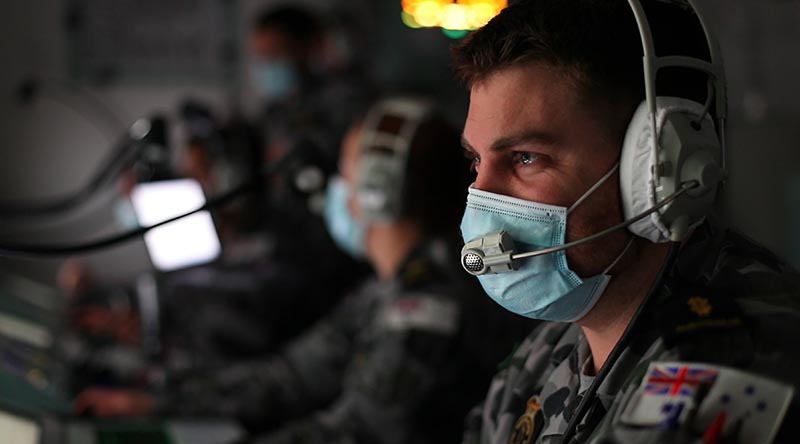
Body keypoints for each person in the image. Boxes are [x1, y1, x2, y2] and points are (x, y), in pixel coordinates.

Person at [75, 97, 534, 443]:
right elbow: (287, 377)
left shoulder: (430, 308)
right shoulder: (388, 288)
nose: (335, 191)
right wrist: (158, 399)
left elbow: (354, 433)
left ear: (377, 194)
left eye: (344, 173)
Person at [450, 1, 800, 443]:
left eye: (525, 158)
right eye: (475, 161)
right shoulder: (543, 354)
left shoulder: (737, 356)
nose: (481, 196)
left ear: (657, 166)